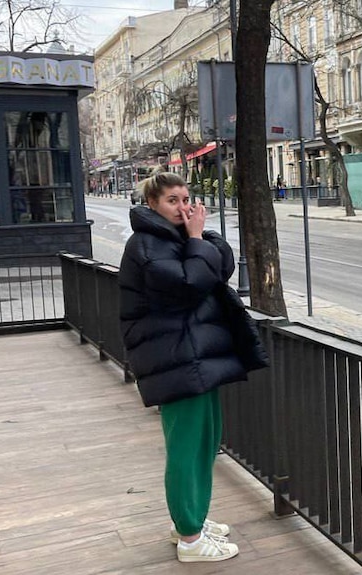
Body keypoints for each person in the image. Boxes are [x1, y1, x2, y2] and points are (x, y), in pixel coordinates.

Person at [118, 172, 267, 563]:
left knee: (204, 442)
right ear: (152, 204)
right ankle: (189, 538)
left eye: (186, 198)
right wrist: (197, 239)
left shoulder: (175, 237)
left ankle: (192, 520)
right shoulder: (148, 244)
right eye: (172, 201)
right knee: (187, 449)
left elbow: (222, 266)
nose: (183, 207)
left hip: (191, 357)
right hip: (176, 361)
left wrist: (199, 235)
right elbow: (189, 284)